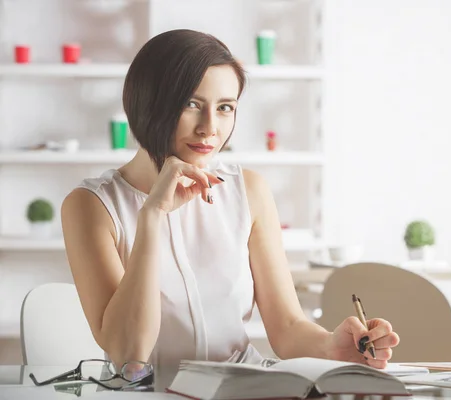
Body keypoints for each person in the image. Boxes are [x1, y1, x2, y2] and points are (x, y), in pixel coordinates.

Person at [61, 29, 400, 370]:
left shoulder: (248, 190)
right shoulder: (91, 206)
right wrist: (152, 216)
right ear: (148, 103)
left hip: (243, 386)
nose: (210, 128)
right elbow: (128, 352)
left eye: (225, 108)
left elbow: (286, 328)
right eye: (191, 104)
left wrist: (331, 346)